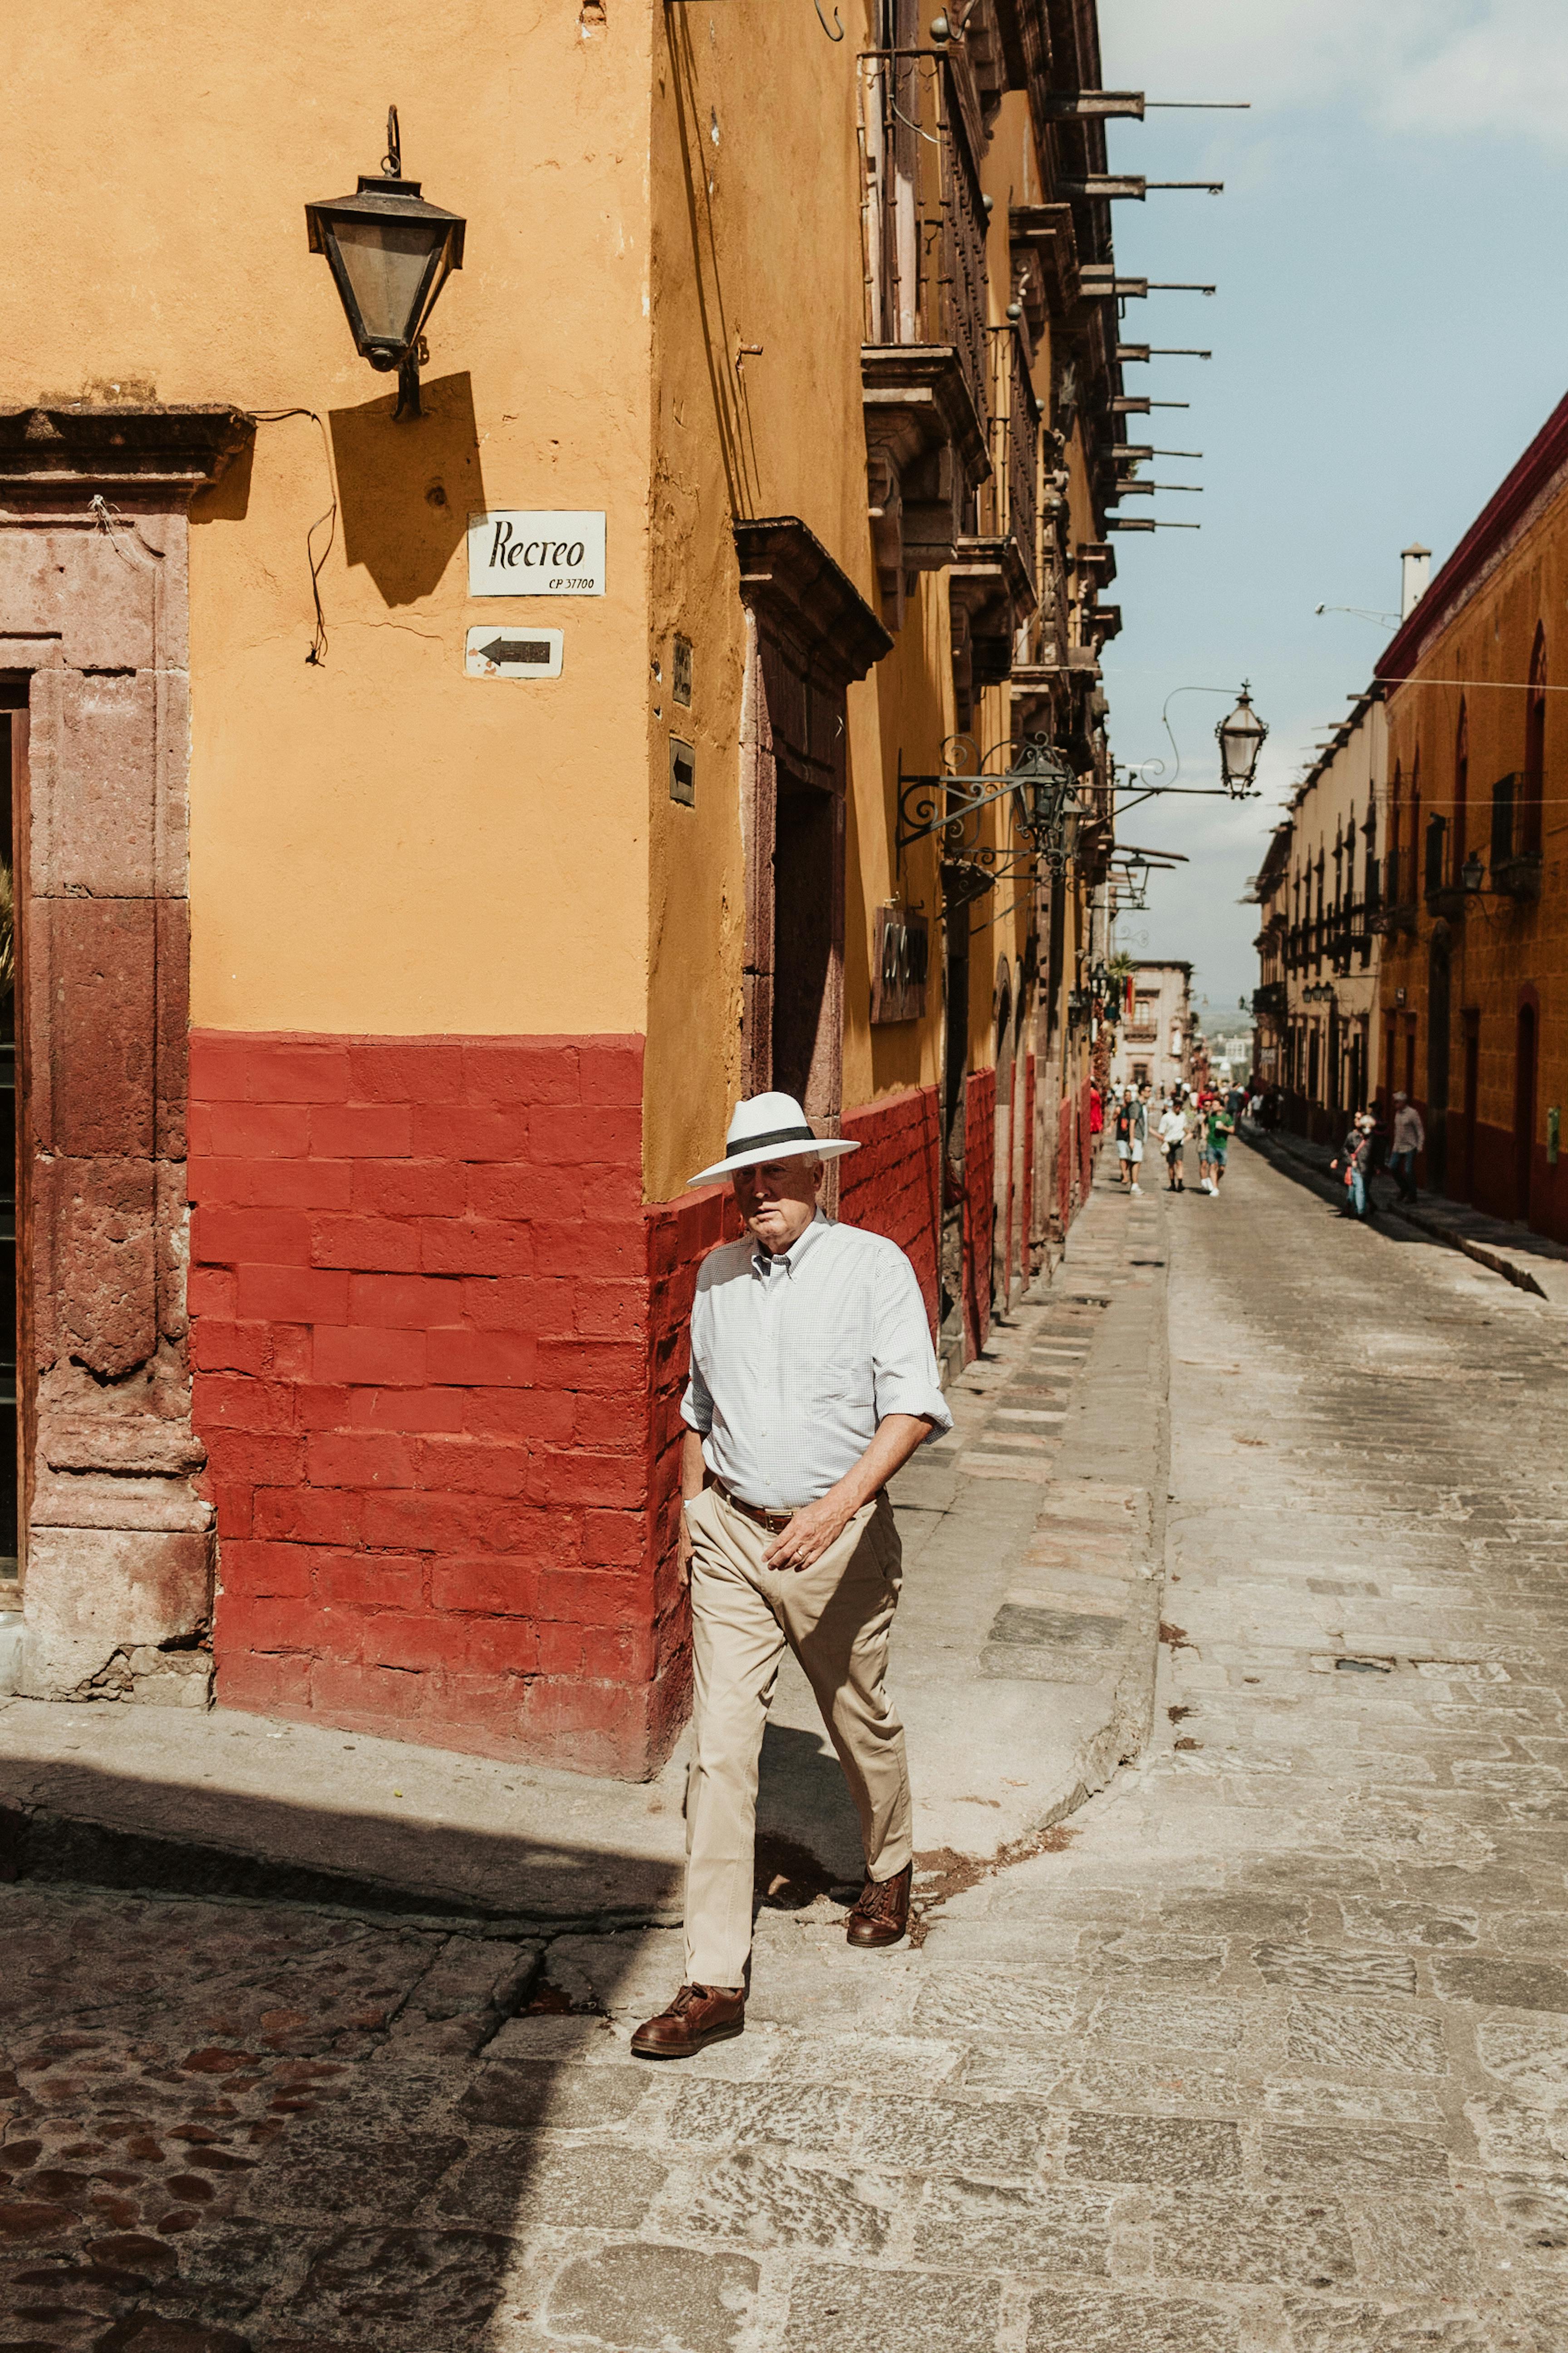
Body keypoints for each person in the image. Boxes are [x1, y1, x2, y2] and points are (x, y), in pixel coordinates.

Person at [631, 1093, 950, 2061]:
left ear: (815, 1172)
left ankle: (888, 1866)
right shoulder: (718, 1276)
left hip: (836, 1540)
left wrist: (836, 1506)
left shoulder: (871, 1269)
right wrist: (693, 1512)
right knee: (722, 1753)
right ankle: (712, 1980)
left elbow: (911, 1408)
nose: (757, 1190)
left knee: (858, 1715)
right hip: (732, 1534)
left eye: (776, 1170)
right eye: (745, 1174)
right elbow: (695, 1409)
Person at [1389, 1091, 1424, 1204]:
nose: (1395, 1105)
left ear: (1403, 1102)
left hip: (1410, 1146)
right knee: (1393, 1167)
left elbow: (1420, 1130)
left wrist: (1420, 1146)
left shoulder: (1412, 1114)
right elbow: (1397, 1131)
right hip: (1398, 1147)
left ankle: (1412, 1195)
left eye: (1397, 1102)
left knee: (1409, 1171)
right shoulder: (1398, 1114)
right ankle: (1404, 1188)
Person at [1157, 1095, 1187, 1191]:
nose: (1178, 1108)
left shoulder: (1183, 1116)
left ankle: (1180, 1183)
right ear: (1173, 1106)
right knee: (1171, 1164)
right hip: (1170, 1142)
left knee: (1179, 1162)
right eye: (1176, 1106)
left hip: (1179, 1142)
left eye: (1180, 1106)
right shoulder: (1167, 1117)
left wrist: (1188, 1135)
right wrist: (1163, 1143)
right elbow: (1161, 1132)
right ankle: (1172, 1184)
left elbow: (1185, 1127)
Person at [1206, 1096, 1236, 1191]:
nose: (1213, 1106)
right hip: (1211, 1144)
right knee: (1212, 1165)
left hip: (1222, 1145)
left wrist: (1224, 1128)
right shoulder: (1210, 1116)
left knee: (1222, 1169)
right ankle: (1215, 1188)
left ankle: (1215, 1181)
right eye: (1213, 1105)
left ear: (1221, 1107)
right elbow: (1205, 1125)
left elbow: (1232, 1130)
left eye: (1215, 1105)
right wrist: (1204, 1134)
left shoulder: (1227, 1118)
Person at [1113, 1092, 1135, 1187]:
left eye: (1130, 1096)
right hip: (1121, 1136)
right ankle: (1125, 1177)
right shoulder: (1120, 1108)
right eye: (1126, 1096)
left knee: (1130, 1158)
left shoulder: (1133, 1109)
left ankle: (1124, 1172)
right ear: (1124, 1097)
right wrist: (1110, 1127)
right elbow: (1113, 1119)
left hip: (1130, 1137)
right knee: (1123, 1156)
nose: (1128, 1098)